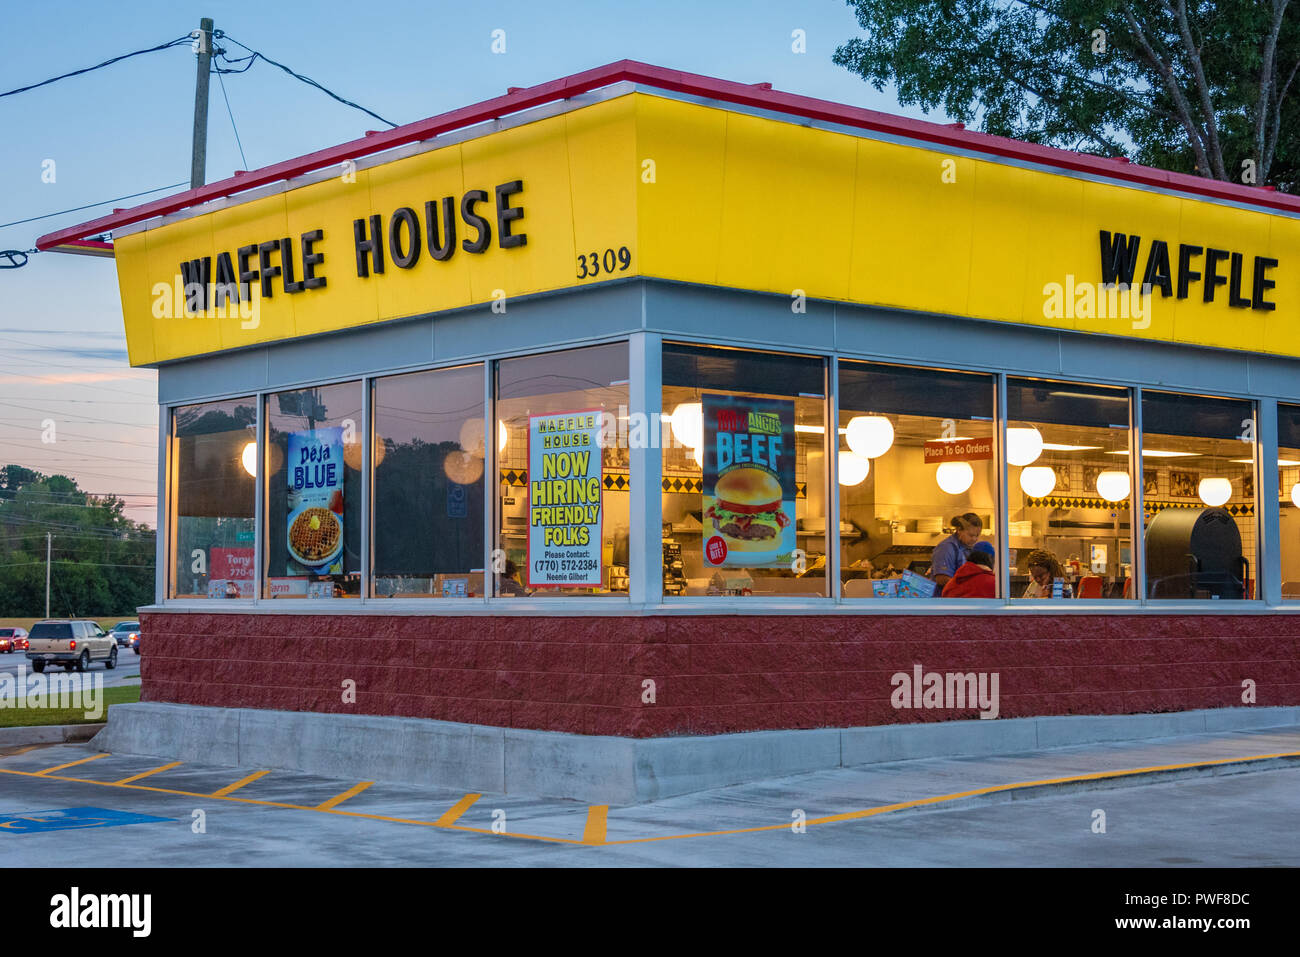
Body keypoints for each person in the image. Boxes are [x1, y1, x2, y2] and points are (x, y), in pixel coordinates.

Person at [930, 512, 984, 589]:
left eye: (977, 535)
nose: (974, 539)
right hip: (947, 598)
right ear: (959, 530)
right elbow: (941, 578)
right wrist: (966, 588)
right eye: (971, 535)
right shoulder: (946, 548)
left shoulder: (971, 547)